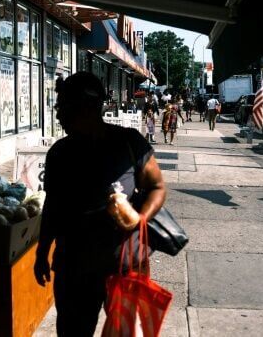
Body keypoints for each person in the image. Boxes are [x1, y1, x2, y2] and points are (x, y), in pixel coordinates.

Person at [34, 72, 166, 336]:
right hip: (74, 267)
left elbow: (157, 187)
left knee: (125, 332)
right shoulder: (59, 153)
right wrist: (42, 252)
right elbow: (53, 207)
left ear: (88, 107)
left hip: (124, 265)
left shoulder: (129, 142)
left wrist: (140, 219)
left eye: (64, 108)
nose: (58, 116)